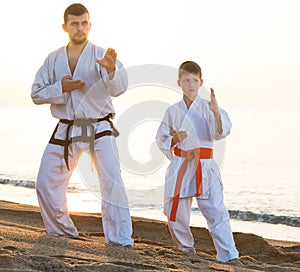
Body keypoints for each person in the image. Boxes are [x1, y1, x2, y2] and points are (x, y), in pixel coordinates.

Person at [31, 3, 133, 247]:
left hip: (100, 127)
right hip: (67, 127)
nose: (80, 28)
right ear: (65, 27)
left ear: (90, 24)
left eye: (84, 23)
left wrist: (110, 71)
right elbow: (36, 94)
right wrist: (60, 88)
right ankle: (61, 232)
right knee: (45, 182)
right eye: (75, 24)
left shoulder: (102, 55)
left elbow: (119, 89)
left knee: (111, 182)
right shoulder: (53, 59)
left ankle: (119, 240)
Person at [156, 61, 242, 265]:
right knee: (174, 212)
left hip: (204, 165)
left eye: (195, 80)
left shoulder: (209, 107)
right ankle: (186, 249)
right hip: (181, 164)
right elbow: (161, 138)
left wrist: (216, 112)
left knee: (216, 211)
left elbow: (221, 132)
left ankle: (229, 255)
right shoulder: (172, 110)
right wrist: (174, 140)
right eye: (186, 80)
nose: (191, 84)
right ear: (179, 82)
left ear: (201, 82)